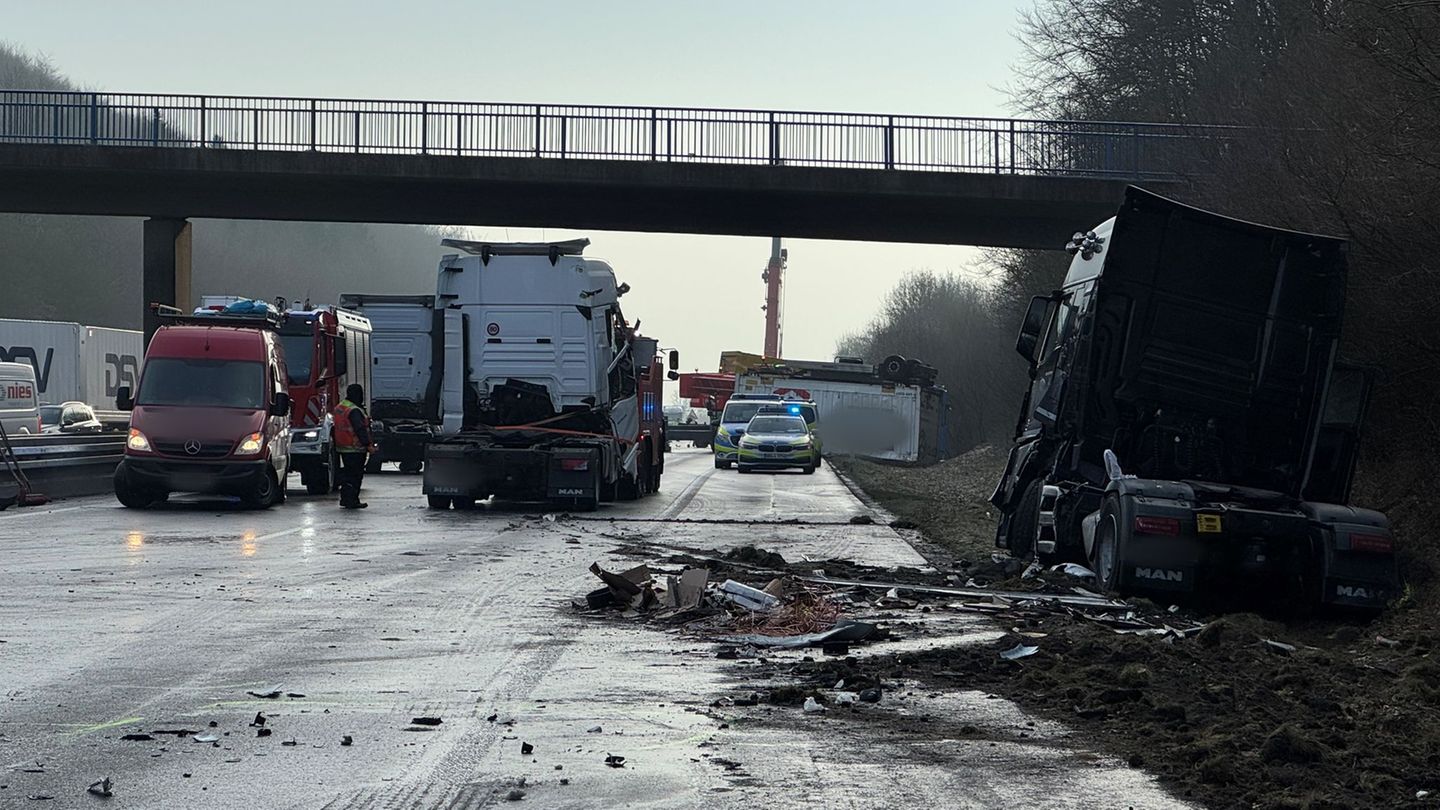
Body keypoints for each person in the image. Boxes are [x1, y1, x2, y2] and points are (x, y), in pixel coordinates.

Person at [332, 383, 376, 509]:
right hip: (355, 448)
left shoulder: (341, 407)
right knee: (355, 476)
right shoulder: (354, 410)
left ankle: (345, 499)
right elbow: (360, 429)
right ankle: (352, 500)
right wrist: (368, 445)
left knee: (347, 475)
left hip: (342, 447)